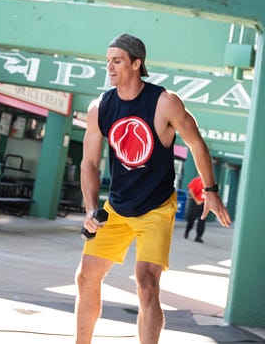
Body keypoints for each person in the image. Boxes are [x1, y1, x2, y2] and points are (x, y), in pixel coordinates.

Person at [75, 33, 231, 344]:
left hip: (157, 209)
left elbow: (196, 144)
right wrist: (91, 207)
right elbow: (88, 164)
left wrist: (211, 190)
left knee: (146, 285)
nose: (110, 68)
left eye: (117, 61)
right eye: (107, 61)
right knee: (85, 277)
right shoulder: (101, 107)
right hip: (116, 209)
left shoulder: (165, 103)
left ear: (136, 63)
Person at [184, 175, 206, 242]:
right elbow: (191, 191)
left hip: (204, 204)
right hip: (196, 203)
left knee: (202, 221)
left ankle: (198, 236)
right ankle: (187, 231)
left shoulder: (210, 182)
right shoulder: (196, 180)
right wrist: (196, 200)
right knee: (191, 219)